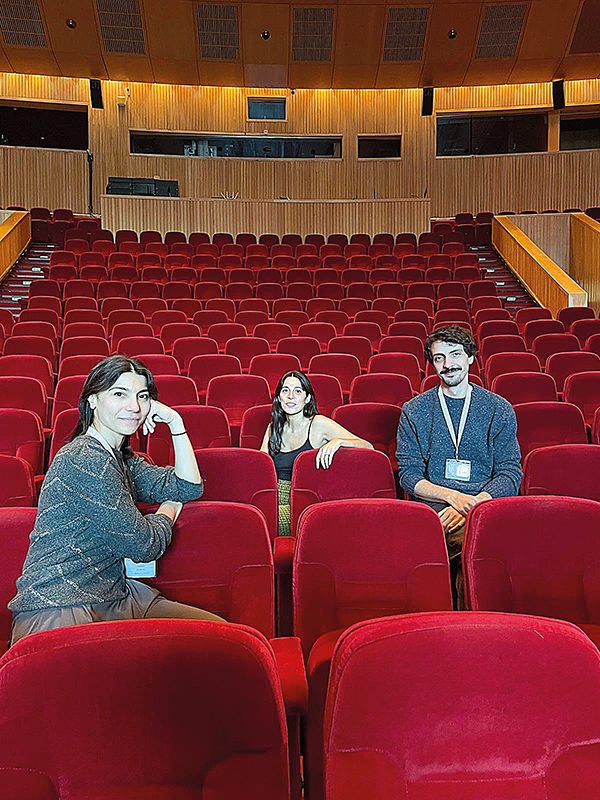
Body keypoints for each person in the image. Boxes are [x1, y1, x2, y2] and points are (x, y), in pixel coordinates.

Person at [9, 355, 224, 644]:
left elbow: (187, 487)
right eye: (119, 394)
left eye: (143, 396)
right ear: (93, 400)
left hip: (111, 594)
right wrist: (168, 512)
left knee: (220, 637)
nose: (134, 407)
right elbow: (143, 545)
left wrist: (176, 423)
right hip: (62, 604)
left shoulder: (121, 459)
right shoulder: (84, 458)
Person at [396, 325, 522, 605]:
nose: (447, 364)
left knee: (475, 544)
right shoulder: (414, 410)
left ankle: (470, 627)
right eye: (439, 358)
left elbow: (510, 472)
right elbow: (409, 474)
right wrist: (454, 498)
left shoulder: (498, 408)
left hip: (485, 506)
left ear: (470, 358)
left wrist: (473, 505)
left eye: (455, 355)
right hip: (434, 508)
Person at [261, 371, 373, 535]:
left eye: (298, 391)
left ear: (307, 399)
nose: (291, 396)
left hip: (303, 501)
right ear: (278, 397)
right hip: (273, 496)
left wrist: (339, 442)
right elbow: (261, 471)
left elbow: (368, 447)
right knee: (250, 515)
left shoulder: (319, 424)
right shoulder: (273, 428)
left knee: (259, 522)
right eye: (285, 390)